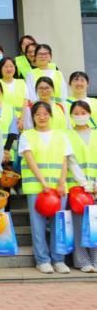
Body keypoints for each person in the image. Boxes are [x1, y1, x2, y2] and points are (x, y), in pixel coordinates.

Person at [20, 101, 71, 274]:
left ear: (50, 115)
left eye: (45, 114)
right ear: (33, 117)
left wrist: (62, 182)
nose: (42, 117)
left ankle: (58, 260)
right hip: (36, 187)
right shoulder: (27, 135)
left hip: (59, 189)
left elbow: (65, 160)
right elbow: (30, 160)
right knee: (38, 225)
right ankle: (42, 260)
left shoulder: (61, 135)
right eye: (37, 114)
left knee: (58, 225)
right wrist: (43, 183)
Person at [66, 101, 97, 271]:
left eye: (83, 112)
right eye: (76, 113)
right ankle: (82, 261)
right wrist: (86, 184)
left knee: (95, 225)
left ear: (89, 114)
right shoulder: (67, 135)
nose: (80, 116)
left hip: (96, 187)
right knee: (79, 226)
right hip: (78, 188)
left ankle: (96, 260)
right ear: (71, 116)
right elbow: (71, 161)